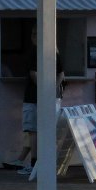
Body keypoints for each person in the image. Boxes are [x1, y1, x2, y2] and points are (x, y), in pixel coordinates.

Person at [15, 26, 64, 175]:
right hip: (52, 99)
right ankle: (43, 162)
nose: (33, 36)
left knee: (32, 131)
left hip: (33, 98)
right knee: (47, 131)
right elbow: (61, 74)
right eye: (32, 33)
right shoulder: (54, 52)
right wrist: (52, 90)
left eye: (35, 33)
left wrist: (43, 91)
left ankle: (33, 164)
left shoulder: (35, 52)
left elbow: (33, 74)